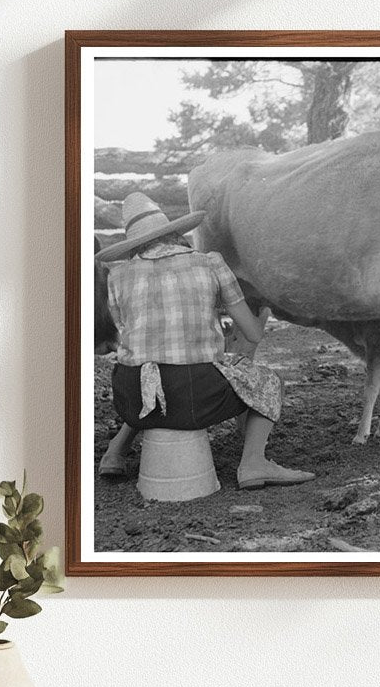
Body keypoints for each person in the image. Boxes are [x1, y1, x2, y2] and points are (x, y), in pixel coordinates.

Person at [96, 192, 314, 489]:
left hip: (130, 396)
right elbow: (253, 333)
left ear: (133, 244)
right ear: (175, 232)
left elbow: (129, 336)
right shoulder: (210, 263)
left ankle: (115, 451)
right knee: (268, 381)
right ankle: (253, 463)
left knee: (151, 372)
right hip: (195, 398)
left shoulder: (117, 276)